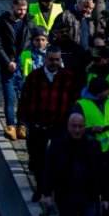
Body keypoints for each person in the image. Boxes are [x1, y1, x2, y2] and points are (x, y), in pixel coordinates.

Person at [18, 46, 82, 201]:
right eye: (51, 59)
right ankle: (41, 187)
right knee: (38, 159)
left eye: (57, 59)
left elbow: (75, 100)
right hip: (38, 125)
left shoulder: (68, 77)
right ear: (45, 59)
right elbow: (25, 99)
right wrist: (22, 120)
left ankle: (57, 189)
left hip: (60, 126)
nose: (54, 63)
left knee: (60, 158)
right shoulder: (34, 77)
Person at [40, 113, 107, 216]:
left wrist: (105, 197)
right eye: (74, 126)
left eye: (80, 126)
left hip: (89, 195)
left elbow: (101, 171)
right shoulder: (57, 144)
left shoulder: (94, 145)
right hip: (66, 195)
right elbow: (48, 169)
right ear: (68, 126)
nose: (77, 130)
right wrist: (47, 193)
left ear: (84, 127)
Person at [0, 0, 35, 140]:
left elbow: (33, 42)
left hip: (24, 66)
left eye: (24, 9)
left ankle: (21, 125)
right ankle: (11, 125)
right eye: (19, 9)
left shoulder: (29, 23)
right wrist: (7, 62)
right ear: (13, 8)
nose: (22, 12)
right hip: (8, 67)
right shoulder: (3, 23)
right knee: (10, 97)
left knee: (23, 98)